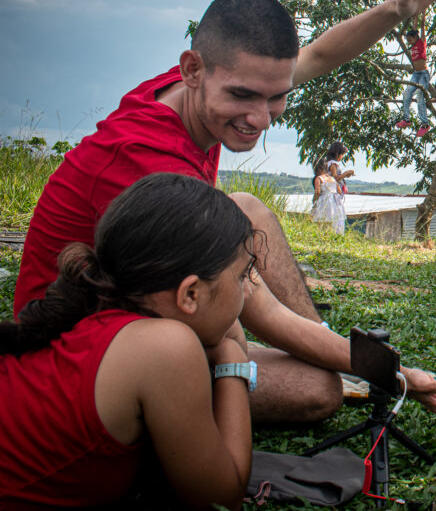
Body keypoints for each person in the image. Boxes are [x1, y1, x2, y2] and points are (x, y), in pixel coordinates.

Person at [14, 0, 436, 425]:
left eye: (276, 98)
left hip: (144, 291)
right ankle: (322, 361)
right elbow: (256, 305)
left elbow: (317, 53)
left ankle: (325, 344)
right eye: (243, 96)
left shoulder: (195, 85)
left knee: (248, 208)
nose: (258, 118)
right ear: (193, 70)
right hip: (77, 339)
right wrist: (395, 375)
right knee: (317, 390)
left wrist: (398, 10)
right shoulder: (152, 163)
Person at [1, 173, 255, 508]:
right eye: (241, 276)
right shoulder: (166, 346)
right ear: (190, 293)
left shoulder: (97, 314)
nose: (247, 290)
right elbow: (224, 496)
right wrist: (232, 358)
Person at [394, 25, 431, 137]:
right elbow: (414, 27)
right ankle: (406, 119)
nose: (408, 41)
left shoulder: (421, 43)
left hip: (423, 74)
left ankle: (425, 124)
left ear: (415, 37)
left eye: (410, 39)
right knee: (407, 93)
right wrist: (415, 15)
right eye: (407, 40)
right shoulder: (413, 46)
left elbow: (421, 26)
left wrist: (422, 12)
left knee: (420, 96)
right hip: (415, 74)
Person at [311, 158, 345, 233]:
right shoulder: (332, 179)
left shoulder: (319, 178)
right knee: (333, 220)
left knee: (322, 220)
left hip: (324, 201)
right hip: (334, 201)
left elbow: (317, 192)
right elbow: (339, 191)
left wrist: (314, 201)